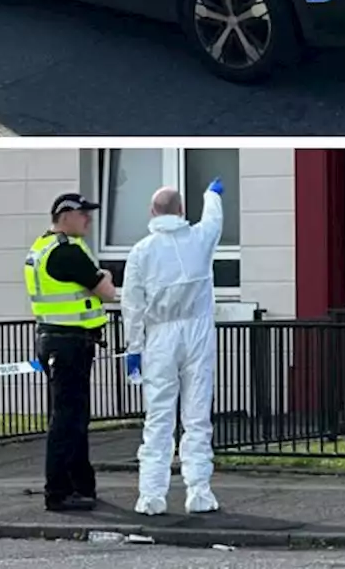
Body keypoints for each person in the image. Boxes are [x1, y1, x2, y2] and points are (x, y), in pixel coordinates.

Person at [121, 178, 224, 516]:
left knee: (159, 416)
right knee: (196, 415)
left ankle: (151, 495)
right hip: (197, 331)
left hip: (159, 337)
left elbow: (132, 304)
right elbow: (213, 220)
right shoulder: (199, 239)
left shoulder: (142, 251)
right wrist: (211, 195)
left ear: (152, 212)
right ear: (182, 211)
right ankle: (199, 491)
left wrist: (133, 346)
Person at [25, 192, 119, 512]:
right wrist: (105, 276)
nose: (89, 219)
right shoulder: (67, 252)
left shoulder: (43, 246)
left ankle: (81, 486)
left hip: (56, 340)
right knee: (67, 420)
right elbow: (107, 293)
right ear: (65, 216)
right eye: (84, 214)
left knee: (72, 418)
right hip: (69, 344)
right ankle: (59, 492)